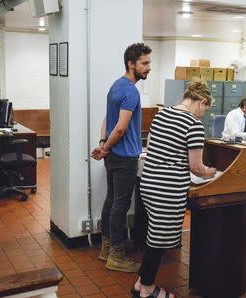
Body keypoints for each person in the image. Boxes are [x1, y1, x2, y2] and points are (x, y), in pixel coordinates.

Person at [132, 80, 217, 298]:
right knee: (158, 240)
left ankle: (141, 284)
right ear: (202, 102)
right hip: (168, 189)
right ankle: (148, 289)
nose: (203, 115)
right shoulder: (193, 125)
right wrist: (211, 172)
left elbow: (151, 147)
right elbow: (196, 167)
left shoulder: (162, 114)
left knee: (154, 235)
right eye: (205, 110)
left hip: (148, 184)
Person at [91, 43, 152, 272]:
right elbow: (121, 128)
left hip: (112, 155)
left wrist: (102, 145)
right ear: (131, 64)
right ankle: (116, 255)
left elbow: (109, 118)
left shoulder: (116, 85)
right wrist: (106, 145)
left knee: (111, 200)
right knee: (120, 204)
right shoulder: (131, 91)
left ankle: (106, 248)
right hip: (124, 157)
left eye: (149, 63)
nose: (148, 68)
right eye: (144, 63)